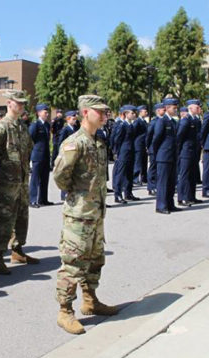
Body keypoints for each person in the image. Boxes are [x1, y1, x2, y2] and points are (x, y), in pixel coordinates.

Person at [53, 94, 118, 335]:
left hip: (96, 214)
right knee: (72, 264)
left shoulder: (98, 142)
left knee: (95, 259)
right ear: (85, 113)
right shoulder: (74, 143)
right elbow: (60, 177)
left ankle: (90, 300)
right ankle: (65, 311)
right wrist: (78, 195)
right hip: (79, 216)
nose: (103, 115)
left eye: (105, 111)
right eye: (98, 111)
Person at [0, 90, 39, 275]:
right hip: (7, 183)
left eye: (23, 103)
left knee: (22, 217)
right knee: (4, 219)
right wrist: (7, 166)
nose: (22, 106)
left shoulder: (21, 127)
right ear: (9, 103)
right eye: (18, 103)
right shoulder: (0, 127)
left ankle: (17, 250)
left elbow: (29, 148)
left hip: (23, 180)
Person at [152, 98, 180, 214]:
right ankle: (161, 206)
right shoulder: (161, 121)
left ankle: (169, 203)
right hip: (163, 156)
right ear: (167, 108)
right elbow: (156, 139)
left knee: (171, 181)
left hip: (172, 155)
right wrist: (158, 153)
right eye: (174, 108)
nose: (176, 109)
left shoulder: (173, 122)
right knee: (163, 182)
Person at [176, 99, 201, 207]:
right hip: (186, 151)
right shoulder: (186, 120)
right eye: (197, 107)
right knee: (184, 175)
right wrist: (179, 151)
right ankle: (182, 198)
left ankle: (191, 196)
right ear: (190, 108)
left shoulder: (196, 120)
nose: (199, 109)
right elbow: (179, 137)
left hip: (194, 151)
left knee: (193, 174)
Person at [111, 105, 137, 203]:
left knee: (129, 173)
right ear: (126, 114)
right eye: (132, 113)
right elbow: (117, 140)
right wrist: (116, 152)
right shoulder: (122, 125)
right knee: (120, 174)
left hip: (130, 152)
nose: (134, 115)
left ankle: (128, 193)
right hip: (123, 152)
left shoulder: (130, 125)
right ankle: (117, 195)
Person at [29, 104, 53, 207]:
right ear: (39, 113)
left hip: (46, 155)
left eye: (47, 112)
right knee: (35, 179)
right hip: (37, 156)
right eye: (45, 112)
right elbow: (30, 140)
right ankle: (32, 200)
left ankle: (43, 199)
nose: (47, 114)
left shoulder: (47, 125)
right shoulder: (35, 125)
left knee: (45, 178)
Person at [56, 111, 77, 201]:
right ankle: (64, 194)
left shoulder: (75, 128)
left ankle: (70, 192)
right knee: (66, 174)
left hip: (74, 154)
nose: (75, 120)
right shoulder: (65, 129)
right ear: (68, 119)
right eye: (73, 118)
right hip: (67, 154)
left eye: (75, 118)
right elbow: (61, 142)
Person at [146, 103, 164, 196]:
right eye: (162, 109)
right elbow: (149, 136)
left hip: (161, 149)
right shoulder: (154, 122)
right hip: (154, 148)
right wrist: (149, 147)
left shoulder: (165, 120)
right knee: (153, 168)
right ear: (157, 111)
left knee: (159, 169)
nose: (164, 111)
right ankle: (151, 187)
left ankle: (157, 185)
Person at [132, 105, 148, 185]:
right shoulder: (137, 121)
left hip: (143, 144)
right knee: (138, 162)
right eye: (145, 111)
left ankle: (144, 178)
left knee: (144, 162)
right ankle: (135, 178)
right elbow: (133, 133)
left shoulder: (144, 121)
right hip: (138, 144)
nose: (146, 113)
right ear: (140, 112)